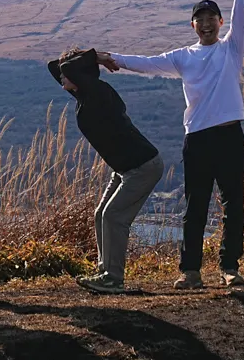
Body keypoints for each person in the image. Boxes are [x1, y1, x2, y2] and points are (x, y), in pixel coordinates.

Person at [98, 0, 244, 289]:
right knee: (194, 208)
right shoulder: (183, 57)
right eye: (201, 18)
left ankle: (229, 267)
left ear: (221, 23)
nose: (208, 23)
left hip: (229, 135)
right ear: (193, 25)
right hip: (196, 139)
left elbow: (242, 7)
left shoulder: (232, 49)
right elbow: (148, 64)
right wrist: (112, 59)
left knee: (234, 207)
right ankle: (190, 271)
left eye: (213, 17)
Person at [49, 47, 163, 294]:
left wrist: (95, 58)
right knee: (102, 214)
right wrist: (87, 59)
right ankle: (104, 272)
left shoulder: (97, 92)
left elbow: (67, 69)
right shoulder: (84, 94)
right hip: (124, 169)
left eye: (67, 70)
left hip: (142, 166)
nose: (61, 75)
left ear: (81, 72)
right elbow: (54, 67)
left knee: (114, 217)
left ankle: (113, 278)